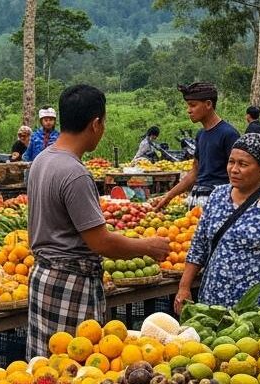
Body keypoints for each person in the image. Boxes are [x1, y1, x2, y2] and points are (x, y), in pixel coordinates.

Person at [26, 84, 170, 359]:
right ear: (95, 124)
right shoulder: (75, 174)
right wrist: (147, 247)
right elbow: (100, 242)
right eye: (103, 122)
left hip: (43, 278)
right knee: (77, 369)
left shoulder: (42, 161)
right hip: (71, 284)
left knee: (45, 369)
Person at [174, 133, 260, 312]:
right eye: (231, 162)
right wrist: (184, 287)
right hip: (213, 302)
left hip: (258, 308)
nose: (234, 169)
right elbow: (199, 246)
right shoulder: (217, 196)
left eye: (243, 164)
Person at [154, 82, 239, 210]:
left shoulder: (229, 134)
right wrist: (168, 196)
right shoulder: (201, 135)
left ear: (208, 104)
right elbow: (195, 172)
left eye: (193, 105)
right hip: (197, 199)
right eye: (188, 106)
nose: (189, 110)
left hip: (219, 202)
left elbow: (238, 174)